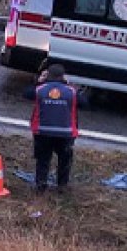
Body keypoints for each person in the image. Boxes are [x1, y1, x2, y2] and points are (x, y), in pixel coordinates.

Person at [25, 64, 85, 192]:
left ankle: (41, 184)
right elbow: (85, 103)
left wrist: (38, 81)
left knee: (42, 160)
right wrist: (70, 85)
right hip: (66, 134)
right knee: (65, 160)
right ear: (63, 77)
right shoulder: (71, 91)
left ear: (47, 75)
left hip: (42, 132)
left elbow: (27, 93)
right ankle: (62, 185)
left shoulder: (40, 89)